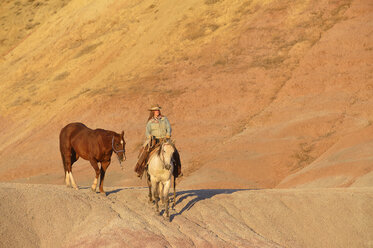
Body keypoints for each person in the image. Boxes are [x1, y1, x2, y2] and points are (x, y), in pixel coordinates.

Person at [134, 104, 182, 178]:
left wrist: (168, 134)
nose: (157, 111)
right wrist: (149, 136)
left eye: (158, 110)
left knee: (174, 151)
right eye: (155, 110)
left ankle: (178, 171)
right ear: (153, 111)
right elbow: (147, 131)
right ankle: (140, 169)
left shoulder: (164, 119)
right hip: (154, 140)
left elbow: (168, 127)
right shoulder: (150, 121)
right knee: (145, 151)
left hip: (165, 139)